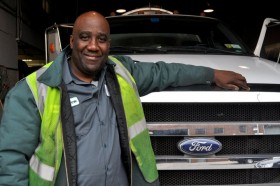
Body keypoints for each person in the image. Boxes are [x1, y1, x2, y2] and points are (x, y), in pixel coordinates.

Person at [0, 11, 249, 186]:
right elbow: (11, 160)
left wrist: (212, 74)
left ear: (109, 44)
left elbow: (165, 72)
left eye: (102, 39)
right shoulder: (33, 90)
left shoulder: (121, 72)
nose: (94, 46)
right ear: (72, 41)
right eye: (85, 37)